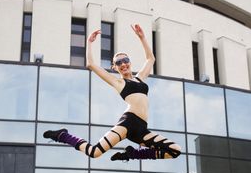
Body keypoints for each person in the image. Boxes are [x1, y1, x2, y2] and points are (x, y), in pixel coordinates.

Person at [43, 24, 181, 161]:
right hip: (129, 122)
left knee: (175, 151)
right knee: (95, 152)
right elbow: (91, 64)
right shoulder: (119, 83)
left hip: (141, 129)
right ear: (115, 67)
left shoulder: (140, 78)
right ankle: (62, 135)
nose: (123, 64)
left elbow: (150, 59)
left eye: (125, 60)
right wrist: (89, 42)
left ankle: (132, 154)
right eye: (119, 63)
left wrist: (142, 38)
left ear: (130, 62)